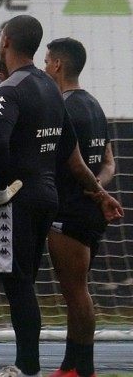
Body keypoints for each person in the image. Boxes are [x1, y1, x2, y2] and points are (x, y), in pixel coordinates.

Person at [0, 15, 69, 377]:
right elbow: (67, 143)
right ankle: (28, 362)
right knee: (24, 281)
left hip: (17, 199)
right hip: (46, 193)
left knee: (15, 281)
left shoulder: (10, 88)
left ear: (4, 41)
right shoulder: (50, 86)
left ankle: (26, 365)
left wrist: (1, 189)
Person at [43, 38, 124, 377]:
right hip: (89, 209)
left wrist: (94, 190)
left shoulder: (63, 107)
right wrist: (100, 190)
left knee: (77, 293)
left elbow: (77, 165)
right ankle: (69, 365)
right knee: (75, 291)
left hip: (71, 213)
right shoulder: (93, 105)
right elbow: (109, 162)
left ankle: (85, 369)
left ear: (58, 65)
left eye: (47, 61)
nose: (45, 67)